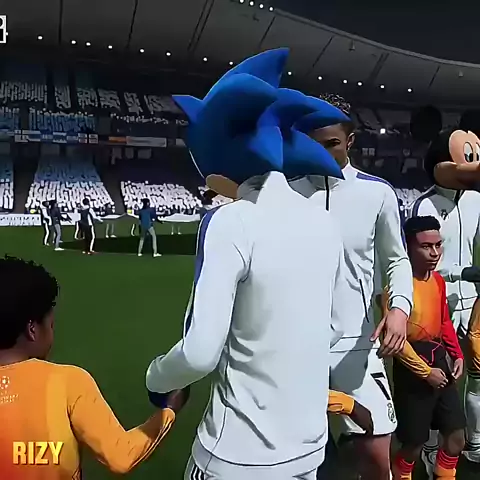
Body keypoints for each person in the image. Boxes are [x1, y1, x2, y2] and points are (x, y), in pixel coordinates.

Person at [146, 49, 353, 479]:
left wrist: (157, 378)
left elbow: (199, 353)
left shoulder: (231, 221)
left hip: (236, 455)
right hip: (309, 452)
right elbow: (334, 327)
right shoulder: (325, 222)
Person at [290, 110, 413, 480]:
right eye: (313, 145)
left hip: (356, 346)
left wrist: (399, 309)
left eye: (332, 144)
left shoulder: (377, 193)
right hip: (294, 348)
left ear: (350, 141)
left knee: (377, 455)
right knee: (300, 460)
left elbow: (397, 260)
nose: (323, 153)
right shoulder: (285, 192)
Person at [0, 255, 188, 480]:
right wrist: (169, 409)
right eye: (51, 325)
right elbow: (120, 456)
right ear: (32, 330)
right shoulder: (67, 382)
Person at [409, 108, 480, 469]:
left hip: (473, 302)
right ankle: (430, 445)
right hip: (439, 303)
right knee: (440, 378)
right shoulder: (425, 205)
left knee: (476, 375)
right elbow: (422, 262)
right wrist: (463, 273)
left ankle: (474, 440)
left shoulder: (476, 200)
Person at [389, 216, 465, 480]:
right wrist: (425, 372)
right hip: (412, 367)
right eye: (426, 246)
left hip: (439, 359)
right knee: (413, 445)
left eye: (438, 245)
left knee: (456, 437)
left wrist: (457, 354)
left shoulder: (438, 281)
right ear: (408, 247)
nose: (435, 253)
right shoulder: (397, 286)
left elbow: (444, 320)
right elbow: (396, 342)